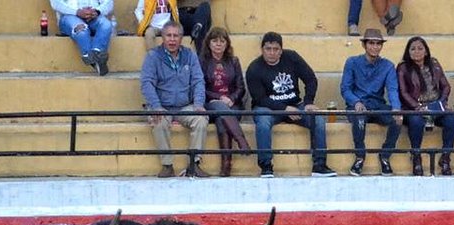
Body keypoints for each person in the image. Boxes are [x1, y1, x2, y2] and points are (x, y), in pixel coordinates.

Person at [246, 31, 336, 178]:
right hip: (268, 108)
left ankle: (319, 164)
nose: (272, 53)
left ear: (281, 50)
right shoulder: (254, 69)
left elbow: (311, 79)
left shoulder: (292, 57)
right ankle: (266, 166)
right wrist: (284, 109)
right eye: (268, 49)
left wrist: (308, 102)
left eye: (276, 49)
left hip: (295, 105)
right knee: (262, 121)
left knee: (318, 119)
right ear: (262, 49)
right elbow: (260, 98)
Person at [140, 20, 209, 178]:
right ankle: (167, 165)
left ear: (181, 38)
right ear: (162, 37)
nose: (172, 39)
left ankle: (194, 164)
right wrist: (156, 106)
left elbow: (198, 81)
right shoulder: (153, 56)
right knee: (158, 121)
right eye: (168, 35)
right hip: (161, 105)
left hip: (185, 106)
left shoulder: (190, 55)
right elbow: (147, 83)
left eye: (176, 36)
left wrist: (198, 104)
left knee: (201, 119)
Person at [341, 28, 402, 176]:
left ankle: (385, 155)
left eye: (378, 43)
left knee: (398, 120)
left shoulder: (388, 65)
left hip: (377, 105)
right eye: (371, 43)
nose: (375, 47)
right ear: (364, 45)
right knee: (359, 119)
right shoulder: (352, 62)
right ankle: (360, 156)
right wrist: (355, 102)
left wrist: (396, 109)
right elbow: (345, 88)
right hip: (357, 104)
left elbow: (392, 89)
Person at [397, 35, 454, 176]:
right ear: (408, 52)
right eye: (413, 49)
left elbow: (446, 86)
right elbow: (403, 92)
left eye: (420, 48)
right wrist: (417, 107)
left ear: (426, 51)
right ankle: (416, 157)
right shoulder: (403, 68)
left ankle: (445, 157)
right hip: (414, 108)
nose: (417, 52)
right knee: (416, 121)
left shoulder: (434, 64)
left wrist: (441, 102)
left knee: (451, 119)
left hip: (435, 106)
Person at [199, 26, 250, 177]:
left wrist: (232, 98)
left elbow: (241, 87)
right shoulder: (202, 61)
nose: (219, 44)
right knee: (220, 108)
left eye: (222, 41)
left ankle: (226, 166)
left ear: (227, 44)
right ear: (208, 43)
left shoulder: (234, 61)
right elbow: (199, 87)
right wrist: (218, 97)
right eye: (215, 41)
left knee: (223, 119)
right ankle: (241, 141)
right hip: (210, 102)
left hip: (233, 105)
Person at [52, 1, 114, 76]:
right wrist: (77, 12)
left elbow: (109, 3)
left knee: (106, 25)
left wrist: (97, 11)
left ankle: (96, 54)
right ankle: (93, 58)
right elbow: (56, 3)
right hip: (70, 17)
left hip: (94, 16)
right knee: (81, 31)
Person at [136, 0, 210, 50]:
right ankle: (153, 58)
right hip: (155, 26)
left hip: (169, 25)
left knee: (176, 33)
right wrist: (144, 23)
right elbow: (138, 11)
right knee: (149, 33)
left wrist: (176, 23)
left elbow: (175, 10)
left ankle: (198, 26)